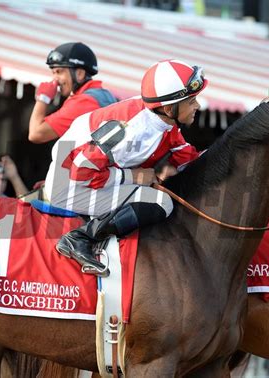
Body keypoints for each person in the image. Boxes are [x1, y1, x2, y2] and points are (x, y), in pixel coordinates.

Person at [44, 59, 206, 277]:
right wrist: (134, 176)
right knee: (161, 203)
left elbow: (188, 158)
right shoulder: (130, 129)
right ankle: (80, 238)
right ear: (169, 108)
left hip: (87, 171)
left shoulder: (161, 119)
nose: (198, 106)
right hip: (70, 184)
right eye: (192, 100)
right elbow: (81, 172)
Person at [29, 42, 116, 144]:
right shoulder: (102, 94)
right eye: (53, 73)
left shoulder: (84, 102)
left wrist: (43, 98)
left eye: (59, 72)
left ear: (79, 74)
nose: (55, 80)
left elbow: (36, 134)